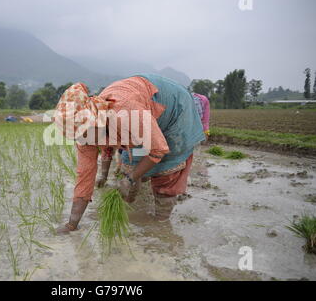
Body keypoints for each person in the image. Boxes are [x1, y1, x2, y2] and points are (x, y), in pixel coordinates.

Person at [54, 74, 205, 234]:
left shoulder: (125, 111)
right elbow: (84, 179)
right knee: (131, 163)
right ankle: (132, 205)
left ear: (94, 121)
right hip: (139, 119)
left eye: (85, 133)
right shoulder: (85, 137)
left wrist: (130, 178)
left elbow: (158, 150)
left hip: (174, 109)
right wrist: (71, 225)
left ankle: (161, 224)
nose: (84, 140)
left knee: (165, 171)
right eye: (77, 136)